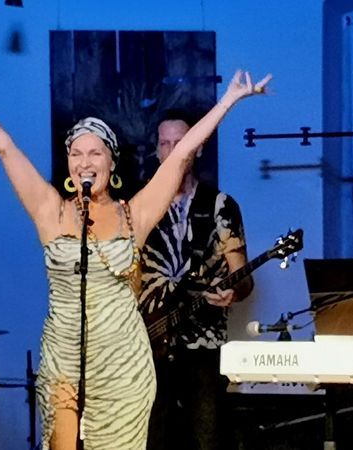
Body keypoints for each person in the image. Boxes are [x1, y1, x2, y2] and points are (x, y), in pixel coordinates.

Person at [0, 47, 271, 450]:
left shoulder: (134, 215)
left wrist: (228, 100)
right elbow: (5, 148)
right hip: (64, 353)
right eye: (76, 153)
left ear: (111, 162)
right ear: (69, 163)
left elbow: (180, 157)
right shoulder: (50, 211)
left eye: (95, 152)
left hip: (123, 359)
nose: (85, 162)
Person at [139, 110, 254, 450]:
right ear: (156, 149)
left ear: (198, 146)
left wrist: (234, 291)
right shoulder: (139, 206)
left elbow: (243, 279)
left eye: (181, 142)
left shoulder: (220, 206)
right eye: (165, 143)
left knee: (206, 439)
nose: (173, 150)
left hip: (203, 347)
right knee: (152, 440)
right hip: (149, 346)